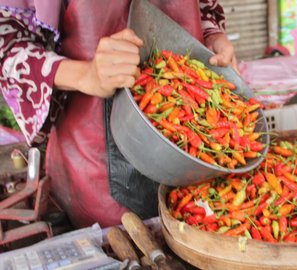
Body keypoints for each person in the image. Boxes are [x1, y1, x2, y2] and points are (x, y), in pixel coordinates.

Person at [0, 0, 237, 228]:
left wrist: (212, 35)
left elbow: (204, 6)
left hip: (197, 139)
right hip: (99, 166)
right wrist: (86, 74)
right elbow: (8, 46)